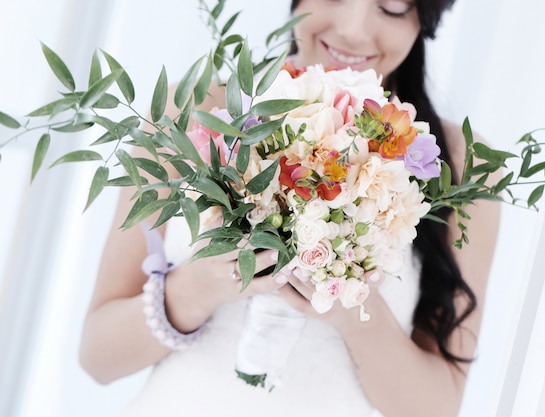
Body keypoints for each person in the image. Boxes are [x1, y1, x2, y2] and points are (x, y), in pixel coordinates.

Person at [78, 0, 501, 416]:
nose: (354, 27)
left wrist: (348, 302)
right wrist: (196, 289)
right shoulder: (190, 112)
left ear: (426, 15)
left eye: (391, 6)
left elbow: (434, 408)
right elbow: (98, 357)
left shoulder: (463, 166)